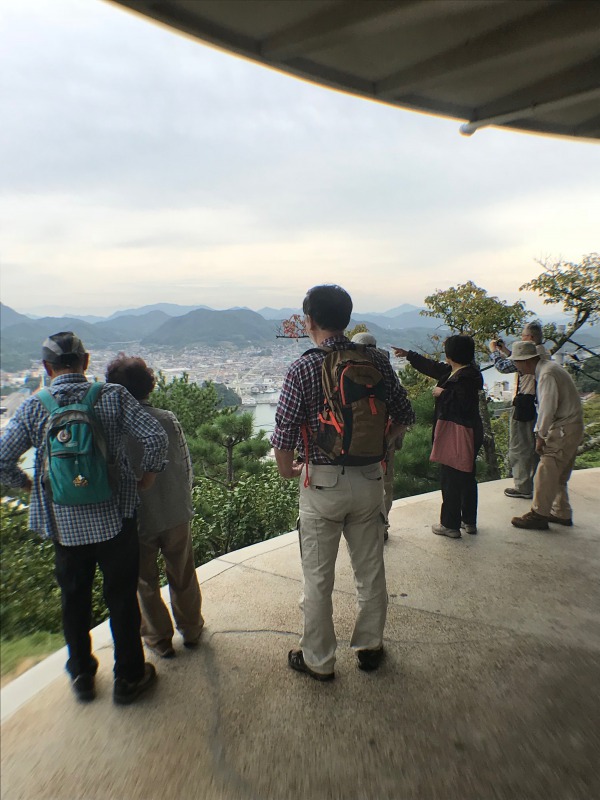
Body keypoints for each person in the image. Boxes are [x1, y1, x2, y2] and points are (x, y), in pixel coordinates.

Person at [0, 332, 169, 704]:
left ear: (47, 368)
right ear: (86, 361)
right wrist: (148, 476)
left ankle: (82, 675)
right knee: (121, 598)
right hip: (115, 519)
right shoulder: (113, 396)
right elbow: (155, 438)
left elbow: (2, 459)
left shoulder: (33, 407)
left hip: (64, 527)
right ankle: (129, 677)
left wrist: (28, 485)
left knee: (73, 600)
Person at [272, 285, 414, 681]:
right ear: (347, 318)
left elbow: (284, 434)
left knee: (318, 578)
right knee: (370, 569)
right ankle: (370, 647)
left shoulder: (302, 368)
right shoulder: (377, 360)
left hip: (322, 484)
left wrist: (288, 470)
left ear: (309, 321)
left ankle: (318, 660)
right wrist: (381, 445)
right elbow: (405, 413)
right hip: (369, 479)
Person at [105, 354, 204, 659]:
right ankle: (191, 629)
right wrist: (183, 499)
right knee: (183, 572)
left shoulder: (111, 427)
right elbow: (186, 466)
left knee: (144, 581)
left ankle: (159, 639)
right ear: (148, 385)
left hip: (136, 518)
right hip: (175, 510)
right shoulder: (167, 419)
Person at [393, 336, 483, 539]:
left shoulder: (463, 378)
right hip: (470, 431)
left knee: (450, 478)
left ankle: (450, 525)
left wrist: (442, 393)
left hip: (456, 432)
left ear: (451, 354)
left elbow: (463, 403)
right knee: (467, 476)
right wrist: (409, 355)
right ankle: (468, 520)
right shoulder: (463, 372)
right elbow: (431, 367)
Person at [508, 341, 584, 530]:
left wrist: (540, 435)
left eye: (517, 362)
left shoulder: (546, 375)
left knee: (546, 469)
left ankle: (539, 514)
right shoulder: (549, 368)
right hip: (573, 426)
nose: (516, 366)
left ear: (526, 361)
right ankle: (561, 511)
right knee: (559, 473)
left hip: (563, 427)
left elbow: (547, 408)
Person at [489, 321, 550, 499]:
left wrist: (494, 351)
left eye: (523, 336)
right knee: (534, 447)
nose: (522, 338)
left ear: (530, 338)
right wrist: (506, 351)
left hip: (525, 404)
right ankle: (536, 484)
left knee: (520, 446)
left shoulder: (532, 356)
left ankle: (523, 486)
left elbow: (502, 367)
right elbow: (518, 363)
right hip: (537, 404)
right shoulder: (543, 352)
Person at [351, 332, 402, 540]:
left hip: (353, 439)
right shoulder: (386, 367)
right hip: (383, 436)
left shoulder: (346, 367)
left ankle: (357, 528)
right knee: (384, 483)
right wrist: (391, 438)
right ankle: (382, 526)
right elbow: (404, 412)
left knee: (354, 483)